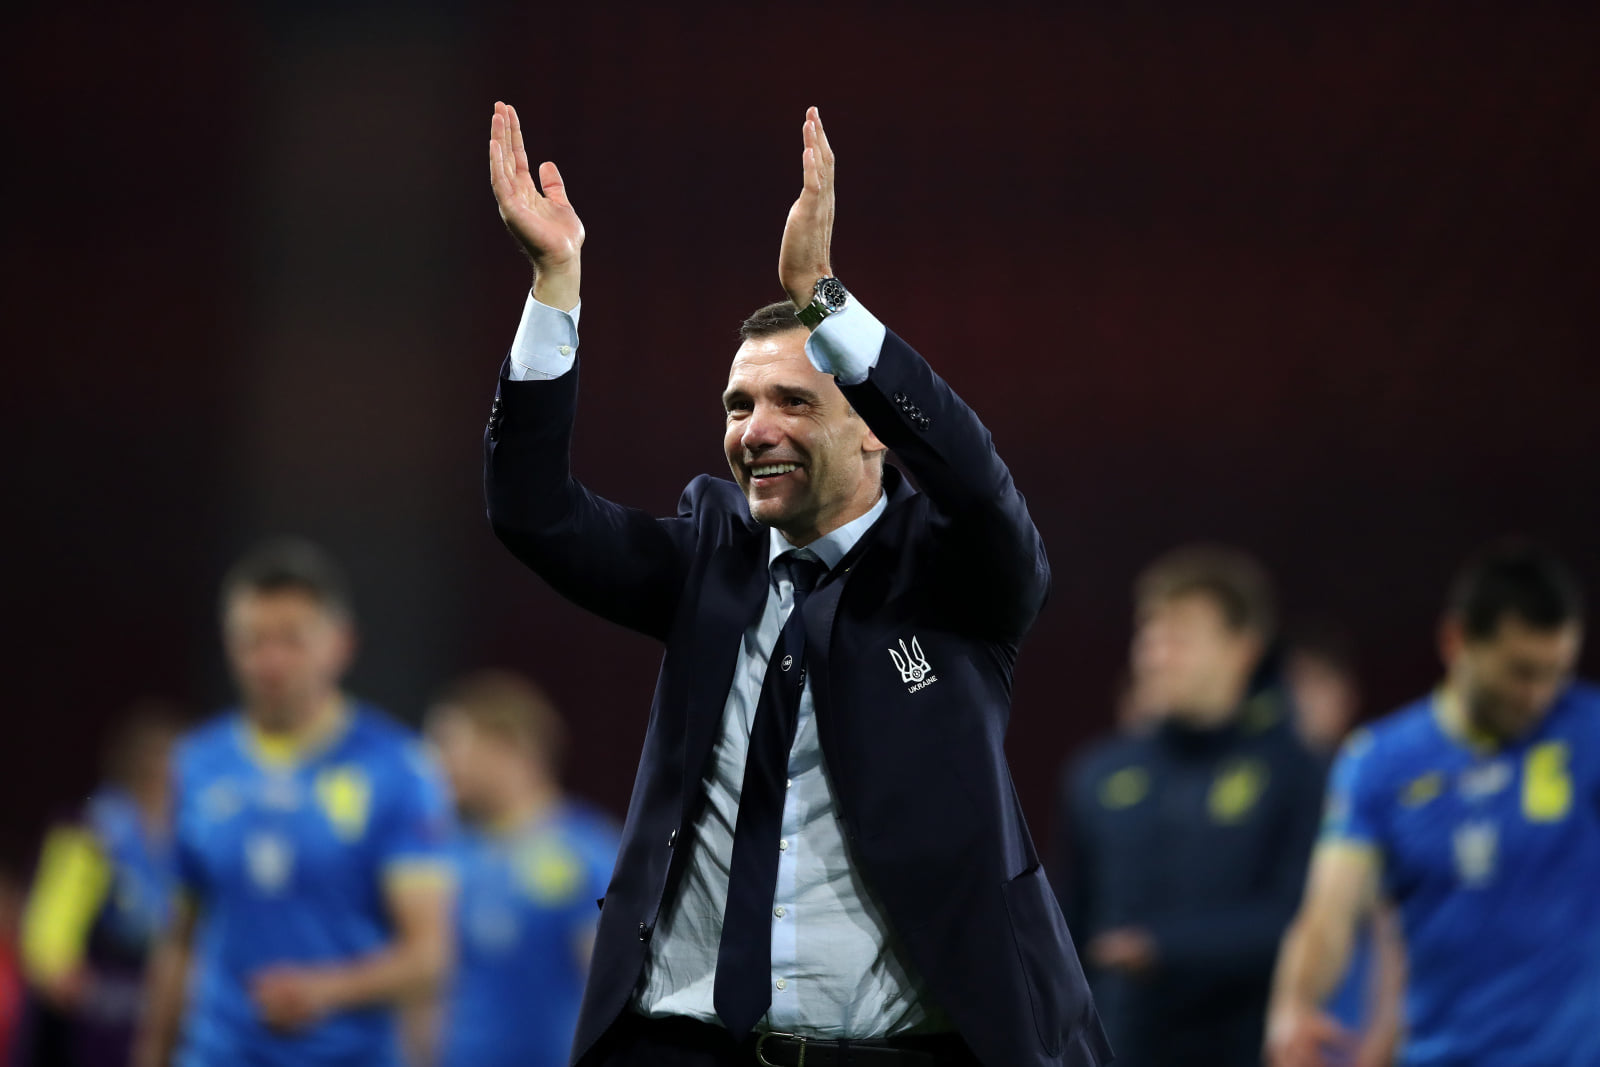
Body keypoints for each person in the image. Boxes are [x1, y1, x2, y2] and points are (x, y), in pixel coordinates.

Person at [481, 101, 1109, 1067]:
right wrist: (553, 284)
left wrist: (824, 298)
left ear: (874, 431)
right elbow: (534, 513)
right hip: (682, 1044)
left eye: (792, 402)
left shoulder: (955, 576)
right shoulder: (706, 558)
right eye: (739, 405)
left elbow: (978, 483)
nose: (755, 429)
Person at [1267, 542, 1597, 1067]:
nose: (1539, 694)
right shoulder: (1380, 762)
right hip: (1442, 1054)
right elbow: (1328, 916)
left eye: (1555, 672)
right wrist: (1295, 1005)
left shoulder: (1588, 733)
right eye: (1520, 671)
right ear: (1456, 640)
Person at [133, 540, 454, 1067]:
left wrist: (326, 991)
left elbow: (429, 957)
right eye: (252, 640)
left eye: (292, 640)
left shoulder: (398, 769)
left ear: (341, 644)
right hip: (218, 1054)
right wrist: (151, 1052)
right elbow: (179, 937)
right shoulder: (196, 764)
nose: (270, 661)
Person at [1057, 545, 1325, 1066]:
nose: (1154, 656)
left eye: (1179, 638)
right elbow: (1068, 927)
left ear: (1243, 648)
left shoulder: (1295, 772)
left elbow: (1300, 923)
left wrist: (1161, 948)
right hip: (1117, 1048)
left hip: (1241, 1048)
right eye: (1148, 635)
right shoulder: (1098, 773)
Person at [426, 670, 620, 1067]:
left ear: (507, 746)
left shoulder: (588, 855)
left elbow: (611, 983)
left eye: (450, 746)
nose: (436, 764)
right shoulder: (444, 852)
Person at [14, 705, 180, 1067]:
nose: (160, 771)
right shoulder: (93, 826)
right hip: (103, 1004)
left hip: (173, 1004)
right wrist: (55, 960)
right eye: (151, 761)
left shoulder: (197, 833)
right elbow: (54, 911)